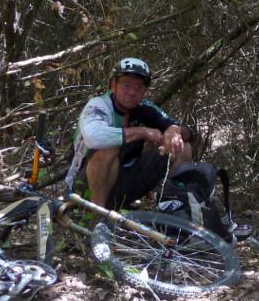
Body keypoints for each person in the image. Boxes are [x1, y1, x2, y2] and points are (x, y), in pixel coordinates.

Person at [64, 58, 195, 209]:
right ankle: (96, 219)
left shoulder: (145, 108)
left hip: (127, 183)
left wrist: (174, 130)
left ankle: (172, 209)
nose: (132, 92)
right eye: (126, 85)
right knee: (109, 149)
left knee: (182, 146)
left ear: (145, 91)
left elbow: (188, 131)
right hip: (85, 186)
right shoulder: (98, 105)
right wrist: (142, 132)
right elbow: (93, 137)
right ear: (113, 85)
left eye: (139, 87)